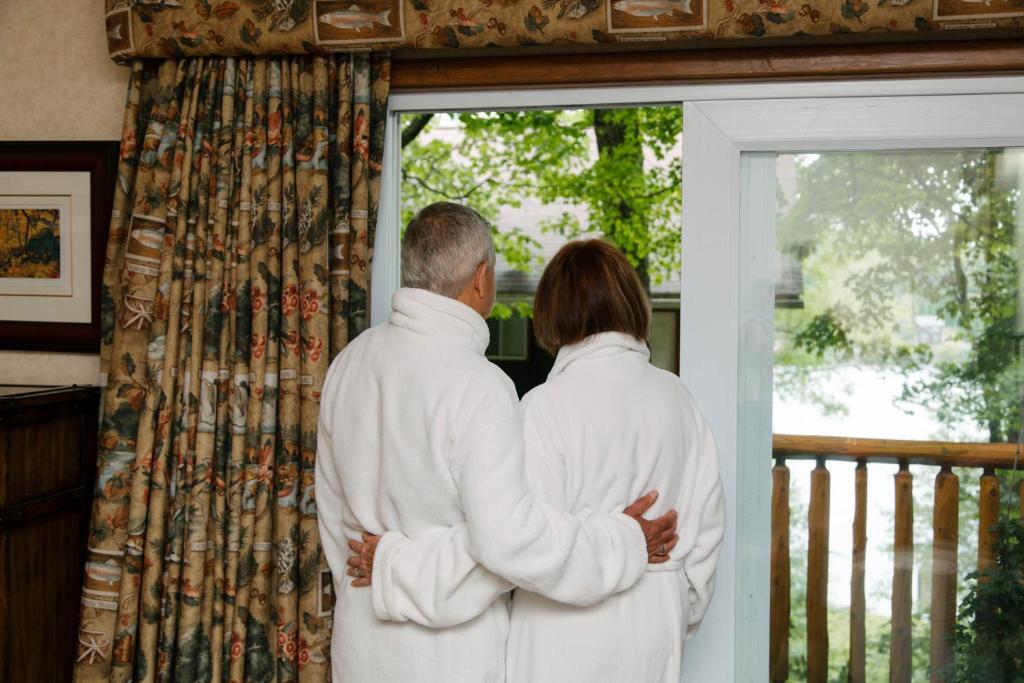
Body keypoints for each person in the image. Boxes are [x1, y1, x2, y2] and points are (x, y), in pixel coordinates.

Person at [315, 203, 679, 682]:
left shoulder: (348, 363)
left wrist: (387, 564)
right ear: (481, 279)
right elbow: (510, 543)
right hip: (449, 660)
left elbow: (335, 522)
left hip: (360, 647)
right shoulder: (478, 384)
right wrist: (625, 541)